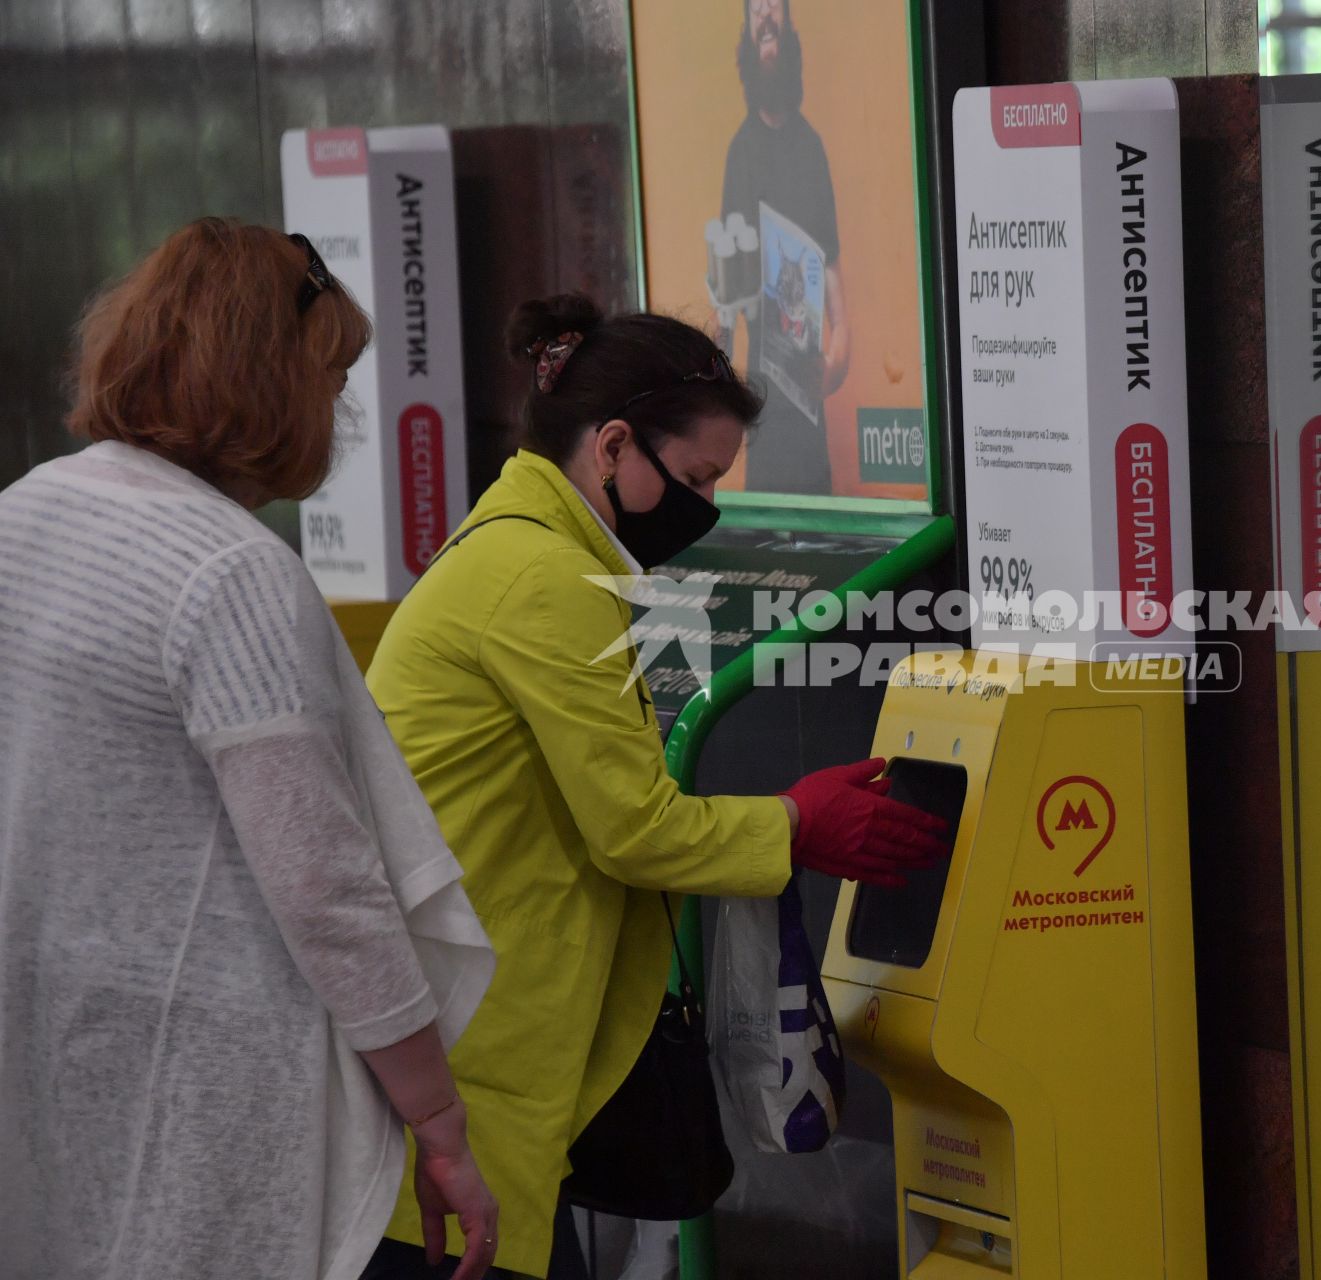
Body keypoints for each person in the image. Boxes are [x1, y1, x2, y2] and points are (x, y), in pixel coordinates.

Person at [359, 293, 947, 1279]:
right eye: (696, 477)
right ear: (616, 444)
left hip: (472, 1048)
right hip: (472, 1065)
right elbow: (634, 826)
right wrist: (801, 822)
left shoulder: (523, 553)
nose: (705, 507)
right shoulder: (539, 577)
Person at [0, 218, 499, 1279]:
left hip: (46, 1041)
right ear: (272, 378)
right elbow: (325, 885)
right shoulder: (229, 574)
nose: (343, 409)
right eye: (335, 377)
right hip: (208, 1084)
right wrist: (439, 1122)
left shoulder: (24, 513)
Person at [720, 0, 849, 494]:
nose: (767, 17)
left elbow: (832, 269)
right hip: (761, 390)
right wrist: (719, 378)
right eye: (757, 13)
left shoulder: (811, 147)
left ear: (790, 32)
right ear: (749, 39)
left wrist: (838, 356)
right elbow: (725, 294)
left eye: (775, 9)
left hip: (807, 386)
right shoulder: (740, 150)